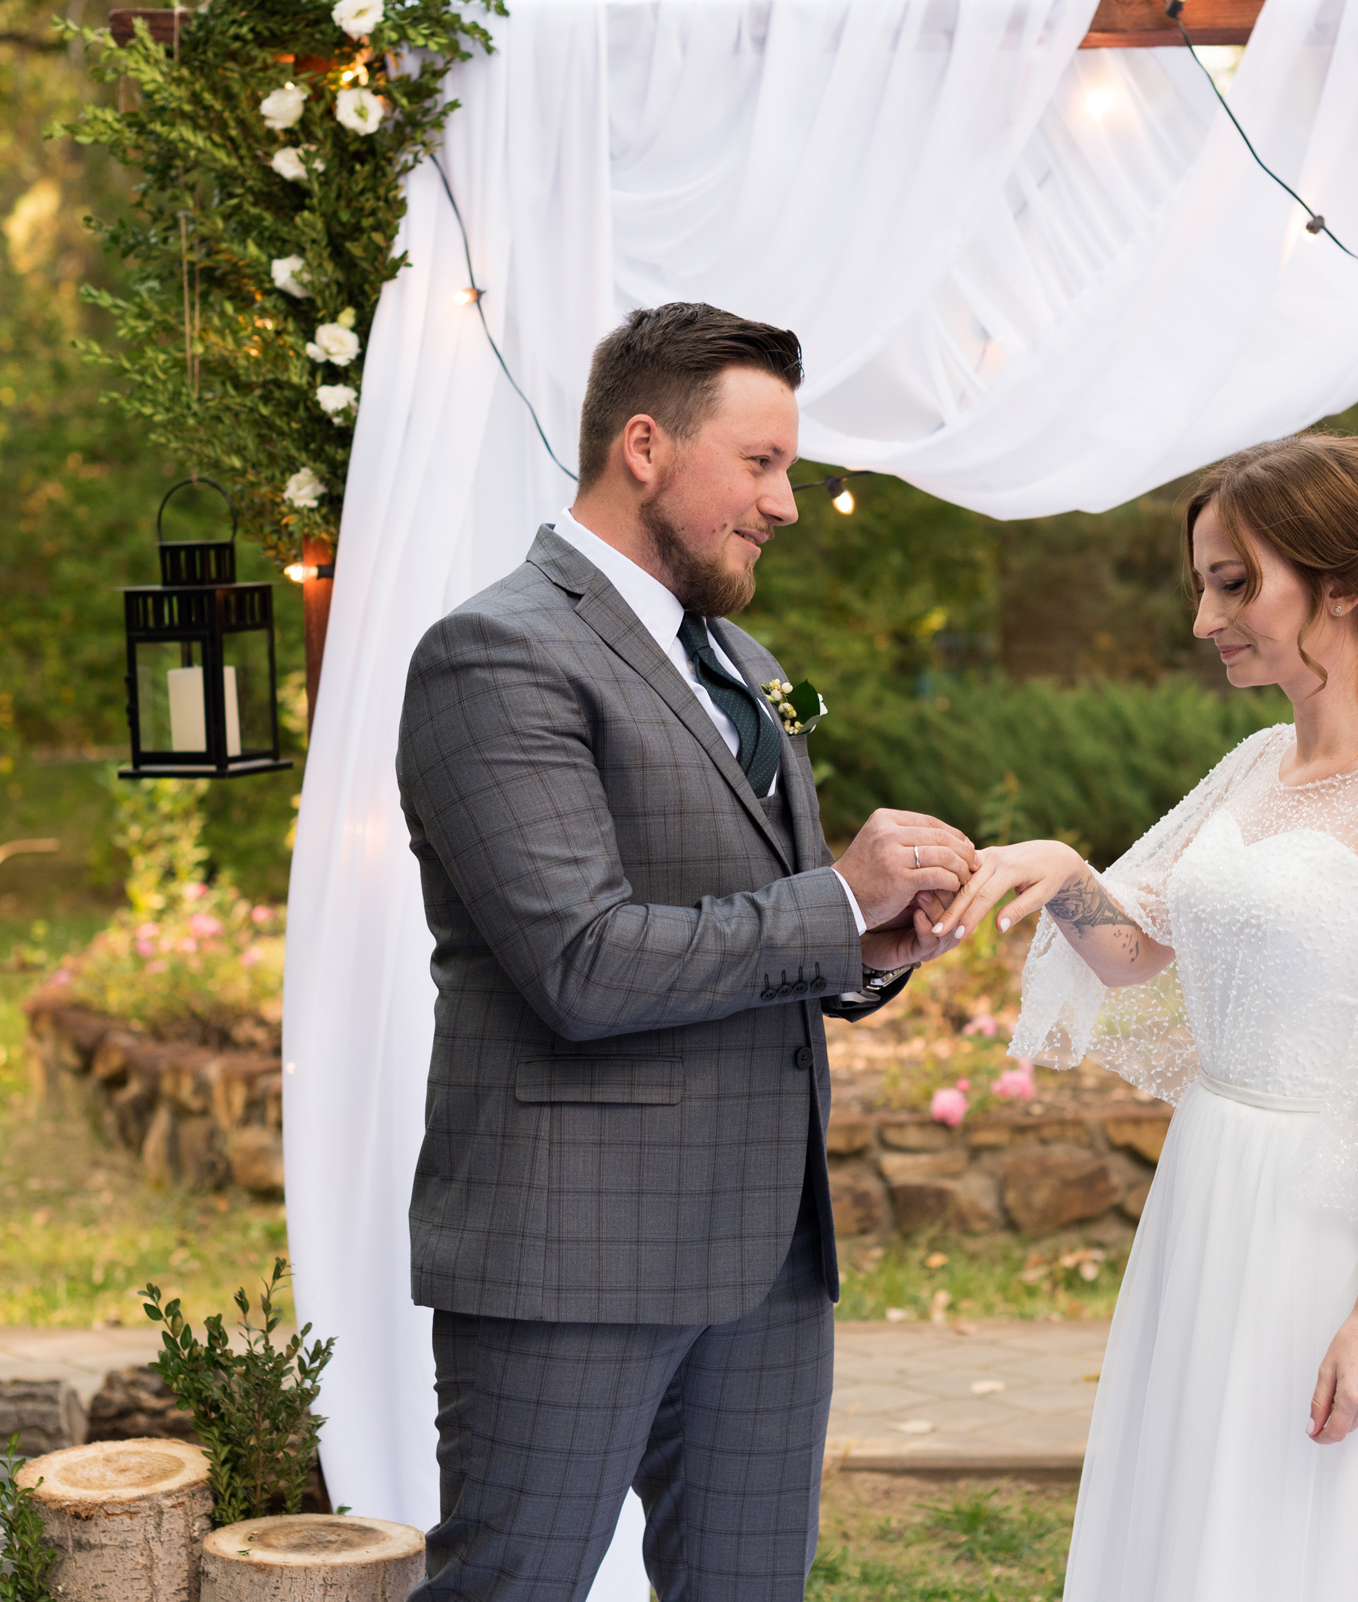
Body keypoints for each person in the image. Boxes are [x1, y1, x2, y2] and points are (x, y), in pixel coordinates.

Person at [395, 301, 976, 1601]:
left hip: (769, 1253)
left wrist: (877, 941)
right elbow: (584, 964)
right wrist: (833, 897)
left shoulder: (745, 661)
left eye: (791, 468)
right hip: (574, 1248)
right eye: (761, 463)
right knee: (515, 1585)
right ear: (645, 446)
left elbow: (769, 936)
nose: (783, 502)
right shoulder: (494, 653)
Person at [931, 432, 1358, 1598]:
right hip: (1213, 1187)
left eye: (1234, 584)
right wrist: (1060, 869)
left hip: (1332, 1217)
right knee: (1198, 1507)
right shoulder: (1259, 761)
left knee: (1319, 1527)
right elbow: (1135, 951)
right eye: (1204, 584)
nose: (1206, 619)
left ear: (1343, 588)